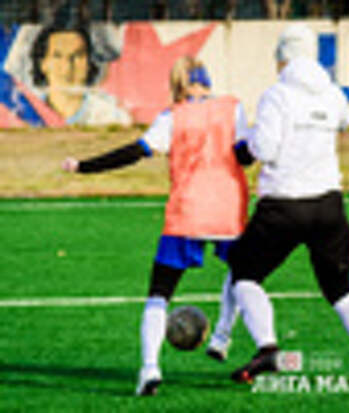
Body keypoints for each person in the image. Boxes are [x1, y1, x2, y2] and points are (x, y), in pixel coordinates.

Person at [62, 56, 248, 395]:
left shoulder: (172, 117)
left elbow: (136, 152)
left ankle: (149, 368)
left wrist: (83, 166)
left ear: (177, 85)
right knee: (242, 275)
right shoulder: (232, 108)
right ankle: (222, 336)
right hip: (228, 210)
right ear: (207, 81)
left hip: (187, 211)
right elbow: (247, 153)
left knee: (159, 293)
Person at [228, 23, 349, 385]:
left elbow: (264, 149)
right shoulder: (332, 93)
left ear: (282, 57)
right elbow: (345, 121)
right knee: (341, 291)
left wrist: (243, 148)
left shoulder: (277, 95)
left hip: (283, 205)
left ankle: (267, 347)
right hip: (328, 206)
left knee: (244, 273)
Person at [31, 24, 131, 125]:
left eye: (77, 56)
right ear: (42, 64)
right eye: (57, 56)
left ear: (89, 63)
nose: (67, 66)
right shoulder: (28, 113)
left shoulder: (113, 118)